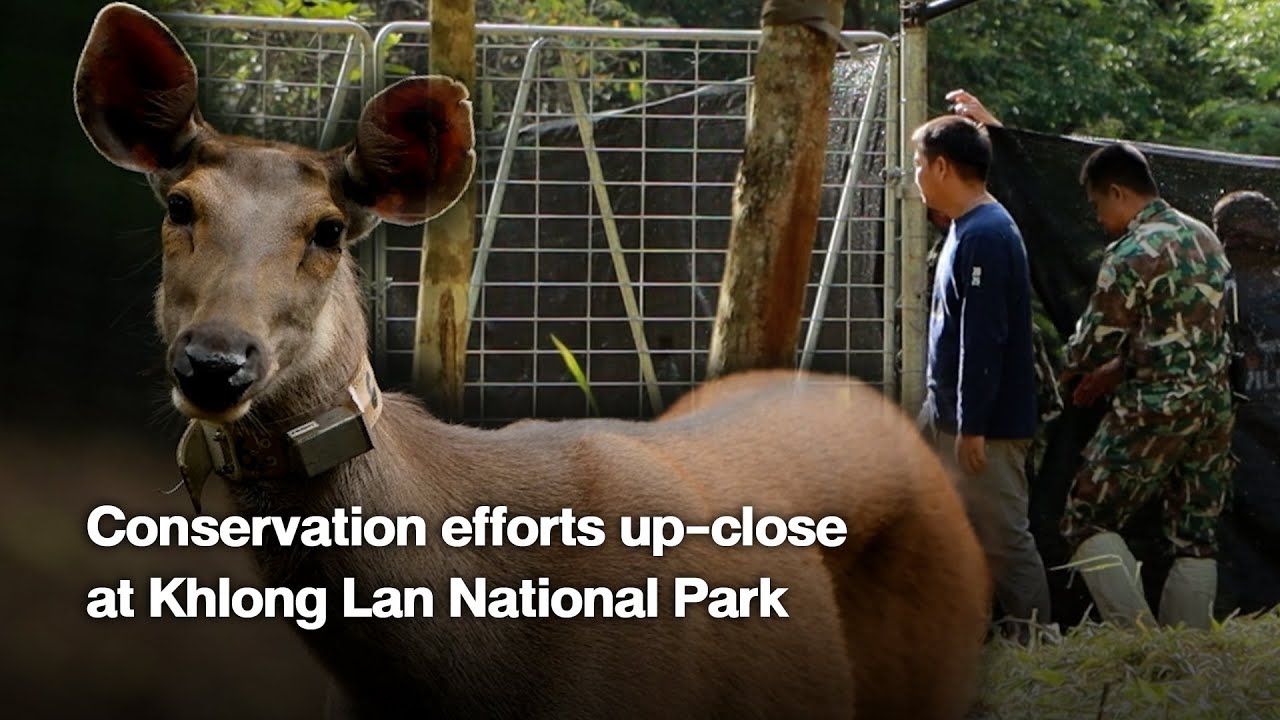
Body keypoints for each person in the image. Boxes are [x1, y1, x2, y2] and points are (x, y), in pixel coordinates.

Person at [1057, 143, 1236, 630]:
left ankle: (1139, 645)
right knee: (1195, 533)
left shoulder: (1134, 251)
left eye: (1098, 206)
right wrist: (1120, 366)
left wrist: (1064, 370)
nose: (1099, 220)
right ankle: (1187, 657)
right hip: (1213, 407)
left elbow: (1092, 344)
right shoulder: (1203, 236)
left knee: (1086, 517)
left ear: (1117, 192)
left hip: (1154, 406)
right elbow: (1188, 331)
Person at [911, 114, 1053, 639]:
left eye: (918, 164)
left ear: (942, 167)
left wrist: (973, 426)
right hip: (946, 413)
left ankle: (1039, 650)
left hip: (983, 426)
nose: (915, 175)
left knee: (1005, 540)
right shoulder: (963, 229)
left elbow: (983, 338)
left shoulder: (989, 235)